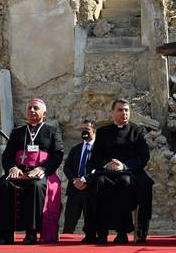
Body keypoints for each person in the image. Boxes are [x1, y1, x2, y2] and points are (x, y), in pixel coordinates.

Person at [0, 97, 64, 245]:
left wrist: (43, 169)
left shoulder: (51, 131)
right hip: (19, 172)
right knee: (4, 185)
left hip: (39, 173)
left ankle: (31, 233)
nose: (32, 110)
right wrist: (12, 167)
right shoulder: (17, 132)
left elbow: (58, 154)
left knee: (36, 186)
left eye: (36, 108)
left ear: (44, 113)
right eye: (29, 108)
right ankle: (4, 233)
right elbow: (7, 154)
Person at [89, 98, 153, 244]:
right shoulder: (103, 132)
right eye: (120, 110)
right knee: (98, 183)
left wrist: (124, 166)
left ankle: (122, 232)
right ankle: (101, 232)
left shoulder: (137, 131)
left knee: (126, 182)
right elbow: (95, 157)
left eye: (126, 110)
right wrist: (107, 165)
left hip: (130, 172)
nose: (124, 113)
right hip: (107, 173)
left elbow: (144, 156)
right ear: (112, 112)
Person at [62, 120, 96, 241]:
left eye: (86, 129)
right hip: (74, 190)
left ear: (94, 130)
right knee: (69, 221)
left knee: (90, 222)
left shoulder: (100, 149)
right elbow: (67, 167)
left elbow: (99, 168)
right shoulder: (76, 149)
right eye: (81, 130)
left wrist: (85, 180)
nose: (83, 132)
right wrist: (74, 180)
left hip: (90, 190)